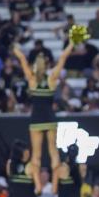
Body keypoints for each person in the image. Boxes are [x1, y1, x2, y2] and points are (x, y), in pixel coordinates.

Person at [11, 29, 78, 179]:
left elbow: (22, 58)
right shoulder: (52, 79)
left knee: (37, 155)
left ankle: (36, 185)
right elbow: (62, 57)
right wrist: (71, 43)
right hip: (49, 117)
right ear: (46, 66)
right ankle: (55, 182)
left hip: (36, 118)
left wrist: (15, 46)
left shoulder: (32, 79)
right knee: (53, 152)